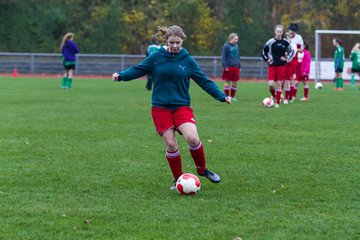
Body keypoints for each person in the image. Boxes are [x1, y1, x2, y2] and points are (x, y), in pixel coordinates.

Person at [112, 25, 231, 190]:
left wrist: (221, 96)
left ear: (182, 41)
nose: (175, 46)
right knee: (171, 144)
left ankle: (203, 170)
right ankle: (178, 180)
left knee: (193, 139)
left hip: (181, 106)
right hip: (160, 108)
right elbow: (138, 70)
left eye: (178, 43)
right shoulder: (156, 57)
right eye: (172, 42)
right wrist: (121, 76)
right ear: (166, 41)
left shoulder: (187, 60)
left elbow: (204, 81)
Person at [261, 24, 295, 108]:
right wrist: (267, 59)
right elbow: (263, 51)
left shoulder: (285, 42)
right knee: (271, 84)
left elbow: (292, 51)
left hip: (281, 66)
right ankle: (275, 97)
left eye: (280, 32)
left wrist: (287, 59)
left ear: (282, 32)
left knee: (279, 83)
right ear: (275, 32)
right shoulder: (270, 42)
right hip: (272, 65)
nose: (279, 33)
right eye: (277, 31)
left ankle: (278, 102)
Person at [285, 23, 304, 103]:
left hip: (294, 60)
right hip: (286, 60)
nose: (292, 33)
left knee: (292, 78)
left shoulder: (299, 38)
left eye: (294, 32)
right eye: (291, 31)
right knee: (285, 78)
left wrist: (295, 49)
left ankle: (291, 96)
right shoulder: (285, 37)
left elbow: (301, 49)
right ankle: (284, 95)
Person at [221, 33, 241, 101]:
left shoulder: (236, 46)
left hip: (236, 67)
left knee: (235, 82)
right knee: (227, 82)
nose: (236, 40)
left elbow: (238, 57)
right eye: (235, 39)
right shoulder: (226, 46)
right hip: (228, 66)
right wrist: (225, 66)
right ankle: (227, 97)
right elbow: (223, 56)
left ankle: (232, 97)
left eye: (237, 39)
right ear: (230, 38)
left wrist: (239, 66)